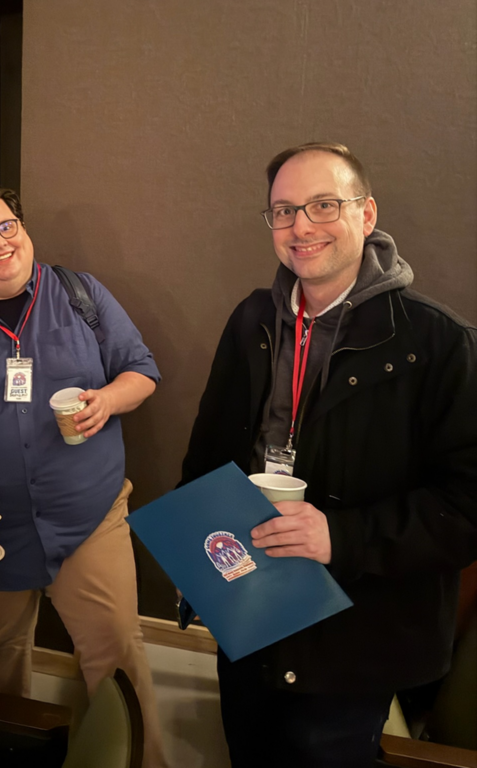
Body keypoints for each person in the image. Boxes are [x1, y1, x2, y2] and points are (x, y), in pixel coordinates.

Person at [180, 142, 477, 768]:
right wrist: (200, 571)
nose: (301, 227)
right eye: (283, 211)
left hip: (356, 636)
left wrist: (340, 536)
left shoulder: (438, 343)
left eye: (323, 205)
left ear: (366, 215)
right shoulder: (252, 321)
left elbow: (466, 508)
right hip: (250, 612)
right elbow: (207, 455)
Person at [0, 182, 169, 768]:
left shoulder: (81, 294)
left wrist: (106, 400)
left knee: (117, 656)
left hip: (88, 512)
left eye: (8, 227)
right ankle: (7, 758)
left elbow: (142, 370)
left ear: (23, 231)